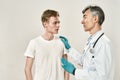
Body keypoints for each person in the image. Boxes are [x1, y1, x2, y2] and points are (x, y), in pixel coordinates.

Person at [60, 5, 114, 80]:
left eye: (85, 17)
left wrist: (74, 71)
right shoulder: (91, 40)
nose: (82, 21)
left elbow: (102, 76)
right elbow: (85, 62)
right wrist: (69, 49)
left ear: (95, 19)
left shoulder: (103, 43)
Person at [24, 9, 69, 80]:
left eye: (58, 22)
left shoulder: (62, 42)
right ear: (45, 24)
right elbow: (27, 69)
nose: (58, 25)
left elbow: (67, 67)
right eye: (55, 23)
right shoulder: (34, 43)